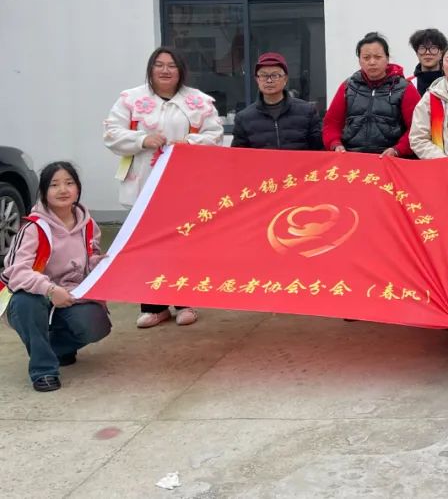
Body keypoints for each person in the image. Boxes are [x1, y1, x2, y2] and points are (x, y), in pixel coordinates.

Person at [103, 46, 223, 329]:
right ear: (150, 69)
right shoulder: (131, 99)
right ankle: (153, 306)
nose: (165, 70)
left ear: (181, 70)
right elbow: (111, 133)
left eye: (171, 65)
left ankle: (185, 302)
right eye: (159, 65)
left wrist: (188, 143)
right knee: (147, 246)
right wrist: (141, 140)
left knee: (184, 243)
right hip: (144, 182)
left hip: (184, 185)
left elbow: (215, 134)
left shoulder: (198, 101)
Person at [1, 162, 111, 392]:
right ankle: (43, 370)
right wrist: (50, 290)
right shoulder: (33, 228)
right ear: (44, 192)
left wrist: (100, 263)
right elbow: (16, 272)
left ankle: (55, 348)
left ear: (77, 189)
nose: (63, 190)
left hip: (70, 295)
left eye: (69, 183)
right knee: (27, 303)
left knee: (97, 324)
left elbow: (89, 257)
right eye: (54, 185)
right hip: (34, 294)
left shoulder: (88, 224)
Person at [324, 33, 419, 156]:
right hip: (351, 157)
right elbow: (331, 123)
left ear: (387, 58)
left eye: (378, 57)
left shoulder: (405, 88)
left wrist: (398, 149)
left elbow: (417, 128)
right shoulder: (348, 87)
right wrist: (335, 144)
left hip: (390, 158)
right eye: (366, 58)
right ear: (359, 60)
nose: (372, 62)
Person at [231, 52, 323, 150]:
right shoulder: (244, 118)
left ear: (285, 79)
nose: (269, 81)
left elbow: (319, 151)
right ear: (257, 79)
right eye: (263, 75)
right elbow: (238, 156)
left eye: (275, 75)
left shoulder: (307, 112)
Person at [408, 27, 448, 95]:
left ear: (442, 53)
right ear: (417, 53)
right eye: (422, 48)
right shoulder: (408, 84)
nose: (427, 52)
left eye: (433, 48)